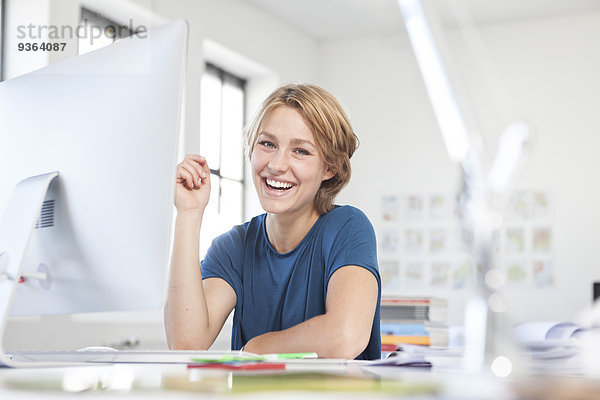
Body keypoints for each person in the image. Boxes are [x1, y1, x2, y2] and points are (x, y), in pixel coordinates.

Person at [164, 84, 380, 360]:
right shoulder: (233, 247)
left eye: (301, 151)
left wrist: (253, 349)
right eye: (267, 144)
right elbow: (185, 344)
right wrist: (188, 213)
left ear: (330, 168)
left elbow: (345, 336)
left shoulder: (347, 228)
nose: (277, 165)